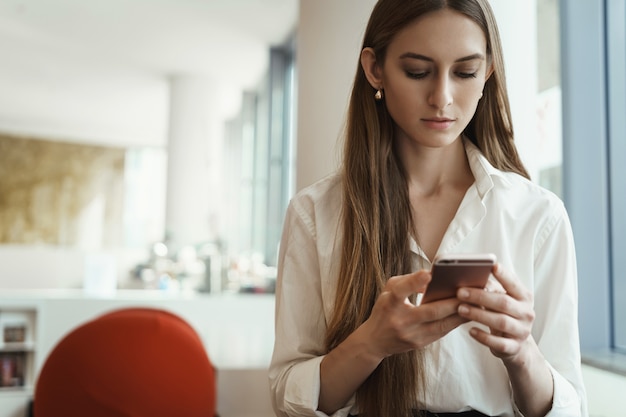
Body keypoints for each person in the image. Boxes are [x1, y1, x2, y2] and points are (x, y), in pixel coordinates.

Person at [269, 0, 587, 416]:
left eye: (465, 72)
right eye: (417, 72)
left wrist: (522, 351)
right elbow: (287, 400)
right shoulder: (315, 214)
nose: (442, 97)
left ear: (487, 71)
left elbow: (572, 409)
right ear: (375, 69)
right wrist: (371, 342)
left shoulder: (538, 216)